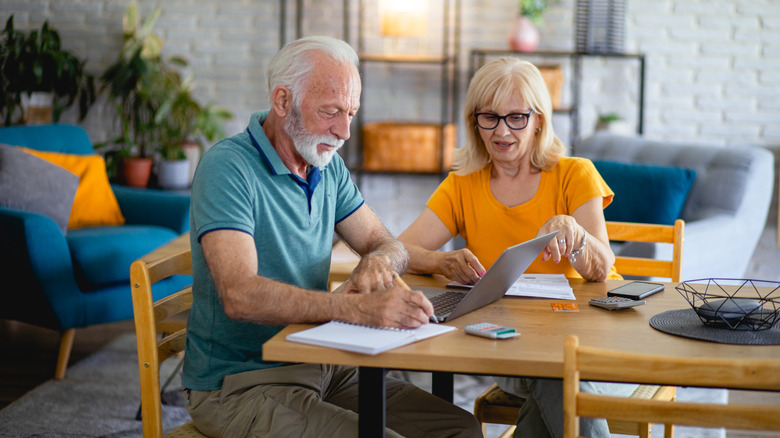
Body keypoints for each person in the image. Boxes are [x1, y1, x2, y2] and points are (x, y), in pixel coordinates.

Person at [182, 36, 482, 438]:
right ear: (283, 101)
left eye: (351, 113)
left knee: (458, 428)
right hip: (242, 384)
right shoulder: (227, 169)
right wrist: (360, 309)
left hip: (319, 362)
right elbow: (240, 295)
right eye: (330, 112)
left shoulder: (326, 165)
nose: (343, 131)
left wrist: (379, 260)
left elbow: (383, 241)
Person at [398, 58, 634, 438]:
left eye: (516, 117)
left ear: (539, 119)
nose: (501, 130)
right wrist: (442, 261)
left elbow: (601, 269)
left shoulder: (574, 173)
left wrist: (574, 233)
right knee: (556, 376)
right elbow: (399, 251)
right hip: (512, 346)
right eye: (488, 116)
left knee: (558, 379)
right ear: (474, 120)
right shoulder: (463, 185)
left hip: (593, 339)